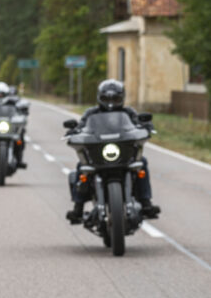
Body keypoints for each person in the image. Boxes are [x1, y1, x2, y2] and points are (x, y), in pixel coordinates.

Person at [65, 79, 160, 223]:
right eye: (106, 99)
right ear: (99, 98)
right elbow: (82, 126)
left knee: (142, 162)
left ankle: (146, 202)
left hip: (123, 154)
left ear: (122, 98)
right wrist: (74, 130)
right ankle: (78, 207)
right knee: (81, 167)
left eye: (115, 99)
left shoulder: (128, 112)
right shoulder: (91, 113)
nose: (110, 103)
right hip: (99, 154)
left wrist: (145, 125)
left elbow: (137, 123)